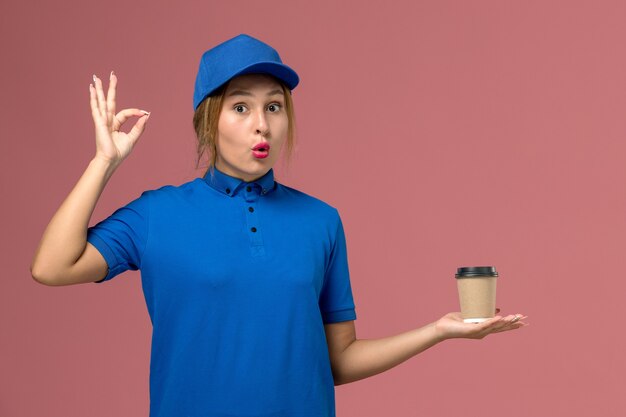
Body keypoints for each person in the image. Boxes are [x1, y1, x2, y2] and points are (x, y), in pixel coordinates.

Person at [31, 34, 527, 417]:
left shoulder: (321, 221)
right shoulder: (157, 214)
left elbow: (339, 361)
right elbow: (53, 267)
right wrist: (104, 163)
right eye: (241, 107)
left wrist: (438, 331)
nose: (261, 124)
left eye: (273, 107)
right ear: (209, 120)